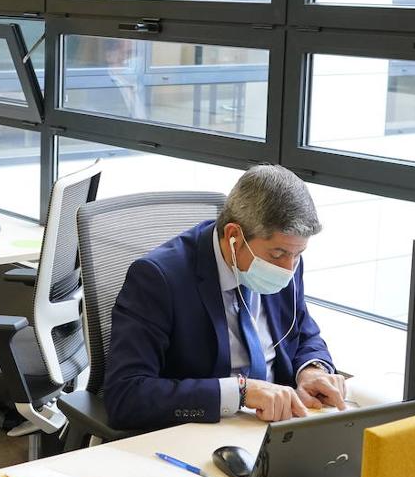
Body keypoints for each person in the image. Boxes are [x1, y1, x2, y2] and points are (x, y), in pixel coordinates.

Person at [104, 164, 347, 430]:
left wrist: (312, 369)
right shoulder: (158, 278)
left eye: (298, 254)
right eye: (277, 254)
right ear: (233, 236)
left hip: (281, 419)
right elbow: (126, 396)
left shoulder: (287, 262)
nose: (288, 268)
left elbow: (301, 330)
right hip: (204, 427)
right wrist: (240, 392)